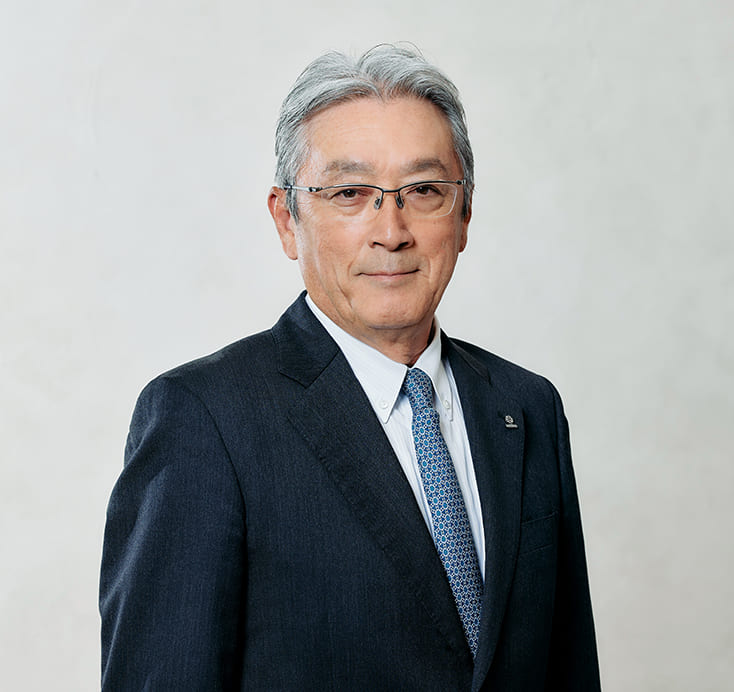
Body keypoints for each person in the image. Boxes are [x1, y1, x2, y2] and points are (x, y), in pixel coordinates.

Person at [100, 44, 600, 690]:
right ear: (287, 220)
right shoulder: (204, 422)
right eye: (350, 193)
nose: (391, 231)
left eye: (424, 191)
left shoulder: (527, 407)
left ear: (465, 214)